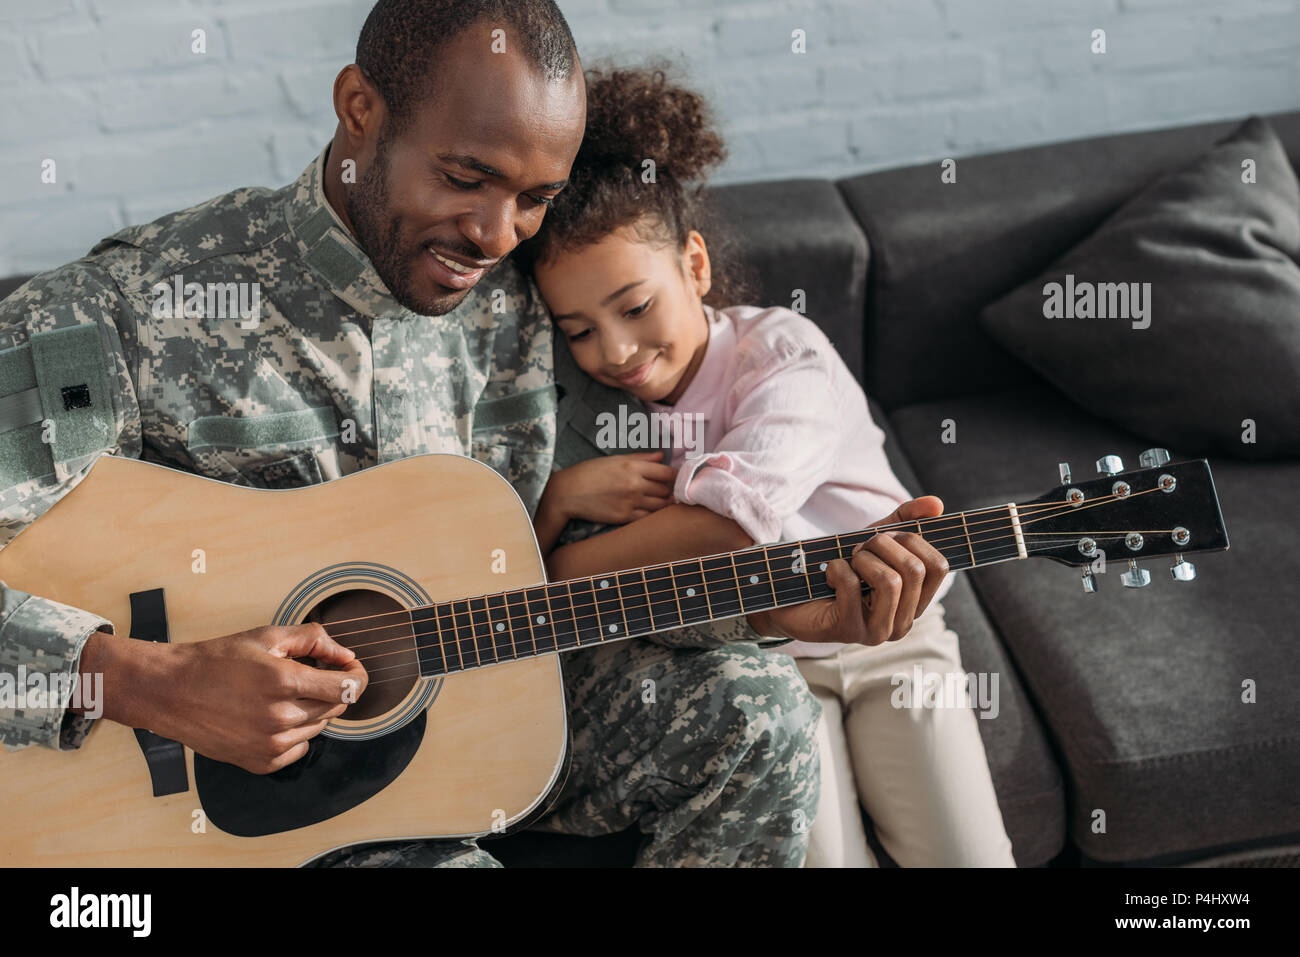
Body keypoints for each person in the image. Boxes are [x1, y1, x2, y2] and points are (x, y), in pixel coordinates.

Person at [0, 0, 946, 868]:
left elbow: (569, 589)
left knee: (762, 714)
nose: (499, 234)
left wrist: (779, 613)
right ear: (359, 109)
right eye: (467, 176)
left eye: (535, 196)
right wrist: (140, 680)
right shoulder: (125, 311)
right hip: (230, 808)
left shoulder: (539, 313)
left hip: (487, 722)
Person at [515, 64, 1016, 867]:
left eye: (636, 307)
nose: (614, 350)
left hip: (892, 637)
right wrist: (563, 493)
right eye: (577, 329)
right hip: (764, 654)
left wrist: (557, 566)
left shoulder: (781, 354)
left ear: (696, 265)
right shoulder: (588, 415)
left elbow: (723, 528)